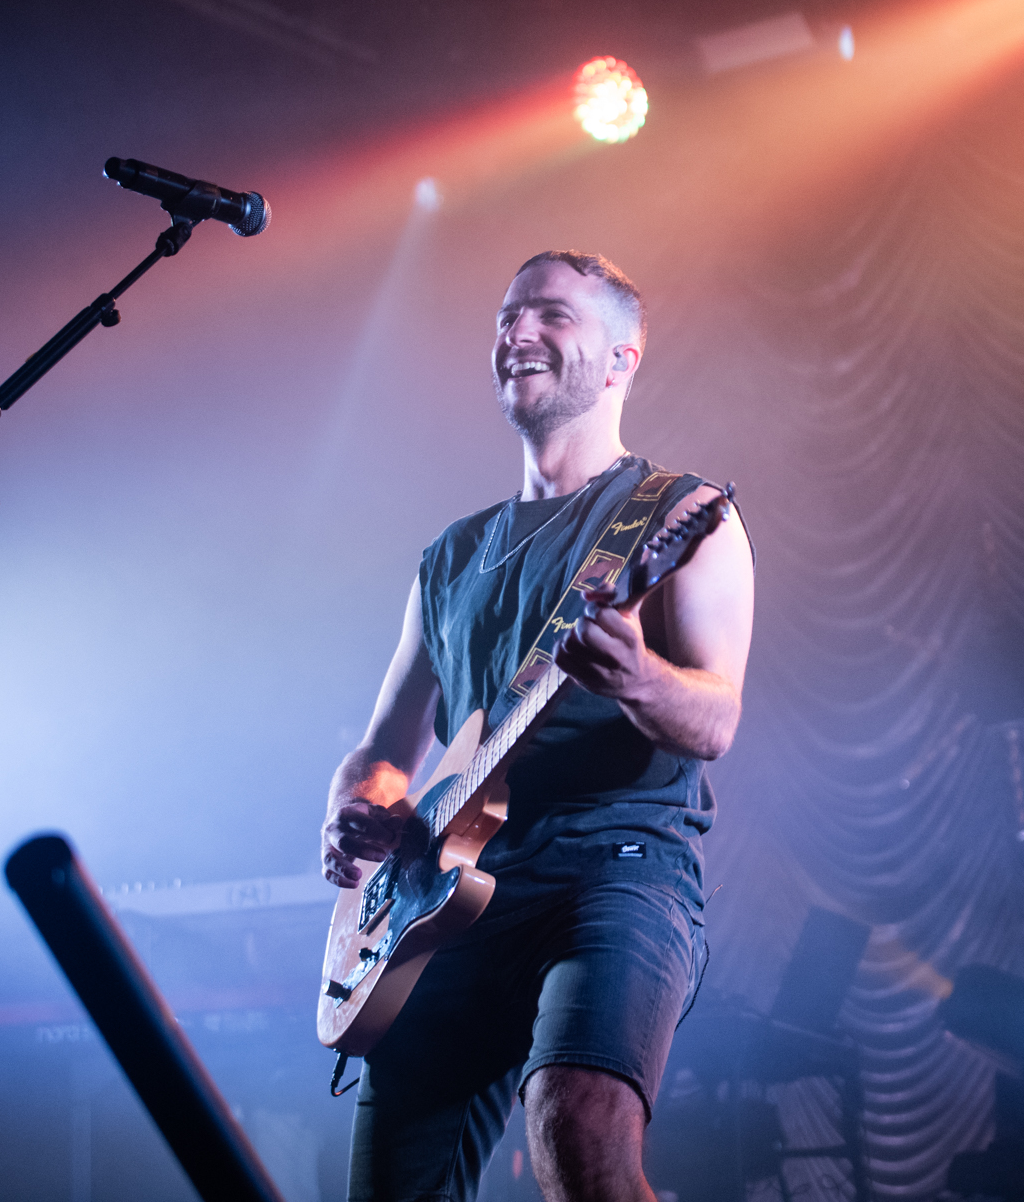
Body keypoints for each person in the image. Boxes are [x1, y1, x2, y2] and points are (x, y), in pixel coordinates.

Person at [320, 250, 756, 1202]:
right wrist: (360, 809)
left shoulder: (682, 514)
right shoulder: (451, 556)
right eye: (508, 315)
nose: (517, 331)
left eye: (553, 315)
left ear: (622, 359)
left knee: (579, 1132)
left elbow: (716, 716)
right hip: (441, 902)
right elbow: (386, 748)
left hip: (615, 868)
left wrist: (639, 676)